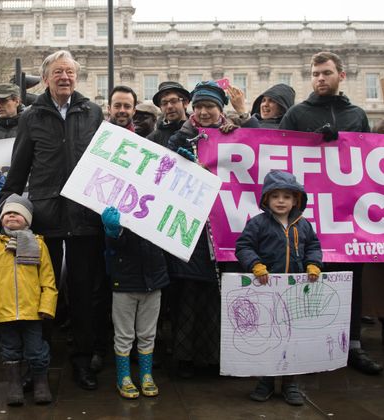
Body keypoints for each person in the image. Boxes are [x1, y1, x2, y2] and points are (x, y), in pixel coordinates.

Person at [0, 50, 105, 390]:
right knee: (41, 291)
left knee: (84, 294)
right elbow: (19, 167)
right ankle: (36, 363)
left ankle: (83, 361)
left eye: (70, 72)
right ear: (45, 78)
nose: (65, 78)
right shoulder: (31, 116)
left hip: (86, 217)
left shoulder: (93, 112)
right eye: (58, 72)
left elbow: (107, 164)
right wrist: (4, 203)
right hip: (44, 219)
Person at [279, 51, 381, 375]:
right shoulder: (297, 114)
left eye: (326, 73)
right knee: (308, 280)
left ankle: (353, 347)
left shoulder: (356, 115)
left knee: (351, 283)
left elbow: (367, 167)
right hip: (308, 220)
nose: (320, 79)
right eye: (315, 74)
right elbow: (276, 154)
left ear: (341, 75)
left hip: (348, 219)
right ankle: (308, 344)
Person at [167, 81, 259, 378]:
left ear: (221, 109)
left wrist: (242, 123)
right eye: (199, 107)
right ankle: (183, 357)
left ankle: (210, 358)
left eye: (210, 107)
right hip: (192, 230)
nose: (204, 112)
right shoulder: (180, 136)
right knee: (188, 294)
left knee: (214, 297)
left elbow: (261, 148)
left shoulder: (233, 134)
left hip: (225, 228)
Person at [235, 170, 323, 406]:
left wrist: (313, 264)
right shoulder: (258, 223)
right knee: (270, 337)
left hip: (295, 295)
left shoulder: (303, 225)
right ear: (266, 199)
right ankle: (265, 381)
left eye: (287, 196)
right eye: (275, 196)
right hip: (266, 293)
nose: (281, 201)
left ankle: (289, 383)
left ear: (296, 200)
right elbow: (243, 246)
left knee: (292, 339)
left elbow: (313, 246)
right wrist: (255, 264)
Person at [0, 194, 57, 406]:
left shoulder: (39, 245)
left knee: (36, 349)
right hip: (4, 311)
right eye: (7, 213)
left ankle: (41, 383)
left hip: (32, 311)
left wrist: (47, 306)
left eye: (17, 213)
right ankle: (14, 385)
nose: (11, 216)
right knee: (9, 348)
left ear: (27, 219)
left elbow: (48, 279)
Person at [100, 206, 169, 399]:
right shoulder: (121, 210)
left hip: (153, 283)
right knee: (124, 334)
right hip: (125, 284)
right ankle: (124, 377)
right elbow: (112, 246)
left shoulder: (158, 214)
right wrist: (113, 231)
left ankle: (146, 375)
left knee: (148, 333)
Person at [146, 81, 191, 146]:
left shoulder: (200, 132)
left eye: (174, 101)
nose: (169, 106)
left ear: (185, 103)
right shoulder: (153, 139)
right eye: (164, 103)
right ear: (160, 108)